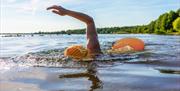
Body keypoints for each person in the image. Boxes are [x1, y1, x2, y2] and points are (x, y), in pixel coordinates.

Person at [47, 5, 144, 60]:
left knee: (118, 51)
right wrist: (66, 12)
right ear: (83, 49)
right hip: (110, 55)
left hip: (109, 56)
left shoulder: (93, 50)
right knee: (120, 51)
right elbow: (89, 21)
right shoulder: (93, 49)